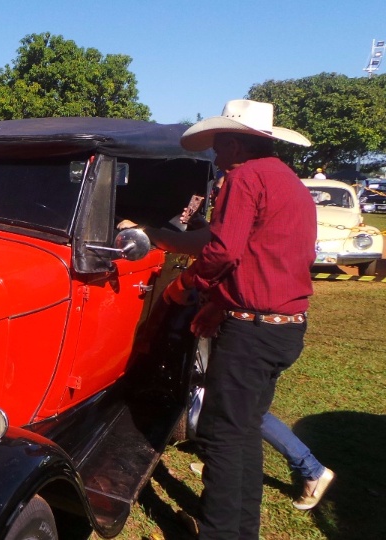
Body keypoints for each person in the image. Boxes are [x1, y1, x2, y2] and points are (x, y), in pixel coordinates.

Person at [164, 99, 323, 539]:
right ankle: (241, 530)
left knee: (221, 435)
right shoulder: (289, 182)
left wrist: (188, 284)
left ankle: (218, 532)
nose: (215, 157)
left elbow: (223, 250)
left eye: (218, 147)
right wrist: (220, 301)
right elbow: (262, 256)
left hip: (252, 332)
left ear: (234, 144)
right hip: (284, 327)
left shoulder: (244, 178)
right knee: (243, 431)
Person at [117, 215, 335, 513]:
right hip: (239, 320)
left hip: (239, 324)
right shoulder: (256, 216)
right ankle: (219, 469)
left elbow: (208, 246)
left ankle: (311, 468)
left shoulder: (243, 213)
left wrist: (147, 230)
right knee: (227, 406)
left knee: (239, 410)